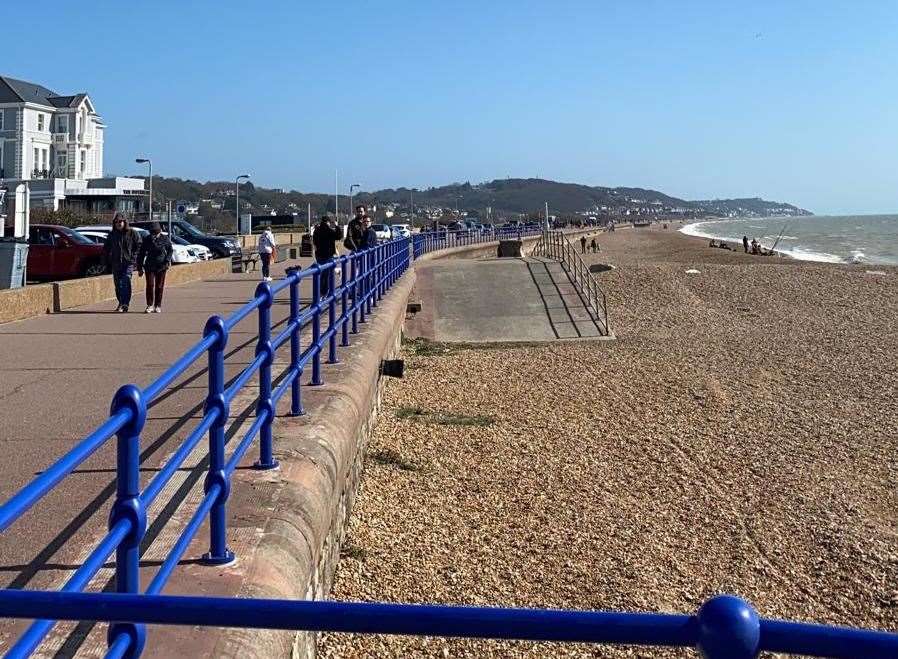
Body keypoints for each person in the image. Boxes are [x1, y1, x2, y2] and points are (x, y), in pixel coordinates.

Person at [103, 213, 141, 312]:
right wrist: (106, 260)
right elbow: (106, 248)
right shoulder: (112, 234)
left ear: (124, 222)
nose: (118, 223)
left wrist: (133, 257)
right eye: (116, 222)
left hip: (128, 262)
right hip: (116, 263)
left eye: (120, 221)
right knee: (118, 284)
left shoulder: (132, 233)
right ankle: (121, 302)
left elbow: (139, 245)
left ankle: (125, 303)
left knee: (126, 281)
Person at [137, 222, 173, 313]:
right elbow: (141, 254)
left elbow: (170, 250)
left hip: (161, 265)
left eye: (156, 233)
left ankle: (158, 305)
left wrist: (167, 260)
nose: (154, 235)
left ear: (159, 231)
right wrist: (139, 267)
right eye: (153, 233)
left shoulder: (165, 238)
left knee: (159, 286)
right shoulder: (147, 239)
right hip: (149, 265)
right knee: (150, 285)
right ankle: (149, 305)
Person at [312, 215, 340, 297]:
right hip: (328, 255)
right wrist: (336, 226)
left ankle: (321, 293)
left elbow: (314, 242)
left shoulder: (316, 231)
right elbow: (338, 236)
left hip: (319, 255)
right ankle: (325, 292)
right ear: (328, 222)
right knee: (327, 275)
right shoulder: (329, 230)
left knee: (321, 273)